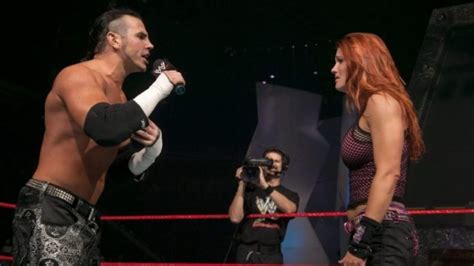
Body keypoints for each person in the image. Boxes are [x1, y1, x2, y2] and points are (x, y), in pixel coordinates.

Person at [11, 8, 185, 265]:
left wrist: (152, 151)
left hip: (86, 218)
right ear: (114, 40)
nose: (150, 45)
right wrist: (161, 87)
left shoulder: (121, 97)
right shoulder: (78, 75)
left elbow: (115, 169)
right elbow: (105, 129)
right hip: (51, 207)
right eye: (141, 36)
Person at [331, 32, 424, 265]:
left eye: (340, 61)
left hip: (383, 234)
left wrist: (360, 245)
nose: (334, 69)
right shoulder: (372, 105)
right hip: (374, 232)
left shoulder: (381, 101)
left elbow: (389, 173)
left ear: (362, 62)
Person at [228, 148, 299, 264]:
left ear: (284, 167)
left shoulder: (290, 195)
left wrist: (265, 186)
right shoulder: (249, 191)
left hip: (272, 255)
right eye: (268, 160)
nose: (271, 164)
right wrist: (242, 184)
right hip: (247, 253)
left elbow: (290, 210)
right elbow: (235, 218)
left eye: (276, 161)